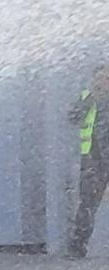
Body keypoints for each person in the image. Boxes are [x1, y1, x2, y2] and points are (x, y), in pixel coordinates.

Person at [66, 67, 109, 259]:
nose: (102, 83)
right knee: (87, 204)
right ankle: (77, 246)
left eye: (106, 78)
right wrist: (89, 100)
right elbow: (72, 117)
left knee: (87, 204)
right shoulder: (87, 98)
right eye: (98, 79)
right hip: (93, 160)